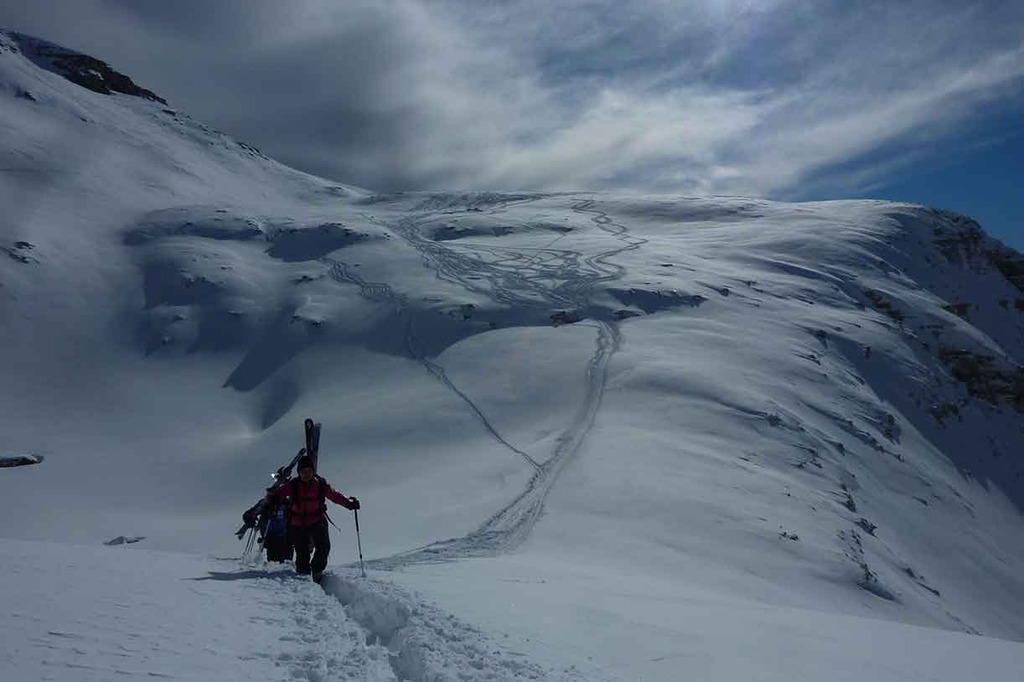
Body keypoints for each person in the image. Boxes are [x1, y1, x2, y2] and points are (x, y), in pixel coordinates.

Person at [265, 454, 359, 583]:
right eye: (303, 472)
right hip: (298, 524)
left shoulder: (320, 485)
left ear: (313, 471)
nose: (306, 474)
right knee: (302, 553)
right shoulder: (292, 486)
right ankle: (304, 578)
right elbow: (275, 495)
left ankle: (317, 572)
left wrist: (349, 504)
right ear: (299, 473)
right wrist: (272, 498)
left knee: (324, 547)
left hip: (317, 521)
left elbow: (334, 496)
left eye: (309, 471)